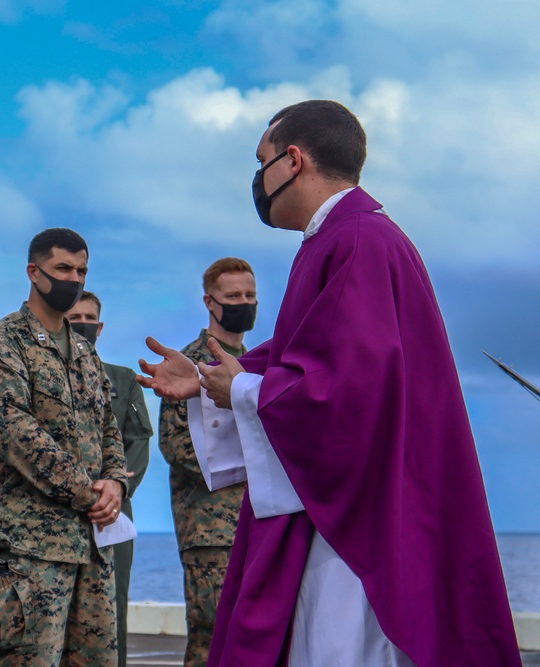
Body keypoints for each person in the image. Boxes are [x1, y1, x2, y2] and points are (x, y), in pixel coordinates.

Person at [137, 100, 521, 666]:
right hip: (360, 504)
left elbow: (347, 392)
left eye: (261, 161)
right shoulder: (347, 237)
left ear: (293, 161)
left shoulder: (357, 241)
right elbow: (307, 353)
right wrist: (205, 377)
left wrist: (240, 391)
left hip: (357, 527)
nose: (258, 179)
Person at [0, 228, 130, 667]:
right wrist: (89, 491)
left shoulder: (84, 351)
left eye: (81, 271)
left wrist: (116, 482)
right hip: (30, 548)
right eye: (63, 268)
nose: (73, 279)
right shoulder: (4, 343)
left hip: (91, 547)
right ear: (34, 272)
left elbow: (107, 428)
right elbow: (14, 432)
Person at [152, 258, 256, 667]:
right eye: (233, 296)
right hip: (211, 532)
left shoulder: (252, 364)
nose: (243, 303)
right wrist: (257, 455)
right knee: (212, 641)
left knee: (250, 642)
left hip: (254, 521)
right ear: (209, 302)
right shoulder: (190, 366)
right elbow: (178, 446)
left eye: (250, 296)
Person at [65, 290, 153, 667]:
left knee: (112, 610)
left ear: (100, 327)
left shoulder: (122, 380)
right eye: (73, 318)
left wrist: (115, 488)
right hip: (61, 509)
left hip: (112, 514)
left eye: (88, 318)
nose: (81, 324)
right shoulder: (43, 374)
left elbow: (139, 438)